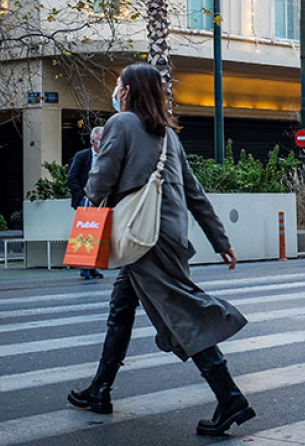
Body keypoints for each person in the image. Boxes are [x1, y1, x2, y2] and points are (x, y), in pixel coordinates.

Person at [67, 64, 254, 437]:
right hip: (164, 233)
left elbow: (99, 182)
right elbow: (194, 193)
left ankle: (230, 396)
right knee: (121, 308)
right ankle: (100, 389)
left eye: (119, 84)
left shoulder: (120, 124)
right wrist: (221, 241)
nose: (116, 89)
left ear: (131, 90)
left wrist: (92, 189)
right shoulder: (169, 135)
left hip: (141, 236)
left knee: (180, 312)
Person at [67, 126, 105, 280]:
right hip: (85, 199)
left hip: (101, 199)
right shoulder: (82, 156)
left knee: (98, 235)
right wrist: (82, 195)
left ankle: (93, 266)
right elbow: (72, 177)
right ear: (93, 140)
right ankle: (84, 268)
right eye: (101, 139)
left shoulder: (107, 157)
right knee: (84, 234)